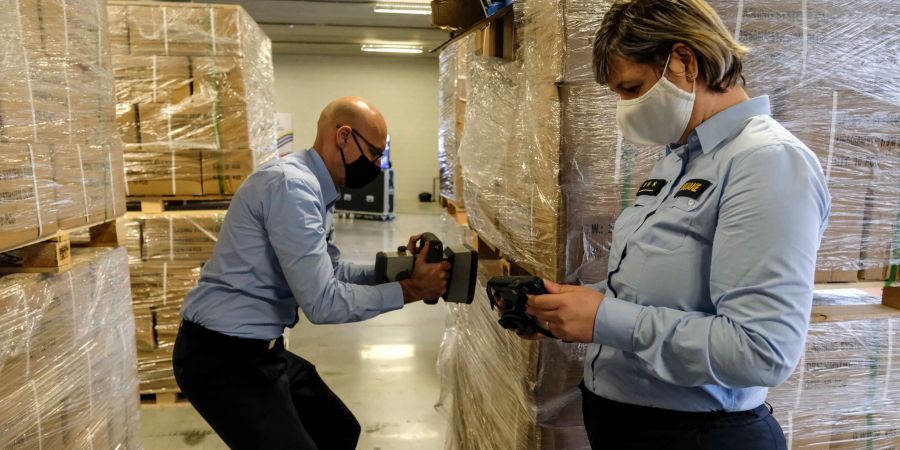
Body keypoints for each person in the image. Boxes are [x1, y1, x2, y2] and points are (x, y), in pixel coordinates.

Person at [517, 1, 831, 449]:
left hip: (695, 436)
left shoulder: (765, 162)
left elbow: (762, 349)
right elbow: (662, 294)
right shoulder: (678, 159)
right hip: (627, 424)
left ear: (685, 61)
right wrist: (574, 308)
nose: (624, 108)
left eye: (632, 88)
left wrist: (605, 319)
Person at [173, 97, 450, 449]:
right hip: (221, 357)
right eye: (375, 153)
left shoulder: (317, 188)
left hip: (260, 349)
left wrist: (397, 273)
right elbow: (322, 302)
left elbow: (331, 271)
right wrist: (411, 290)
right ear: (344, 137)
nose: (378, 165)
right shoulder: (292, 186)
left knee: (337, 428)